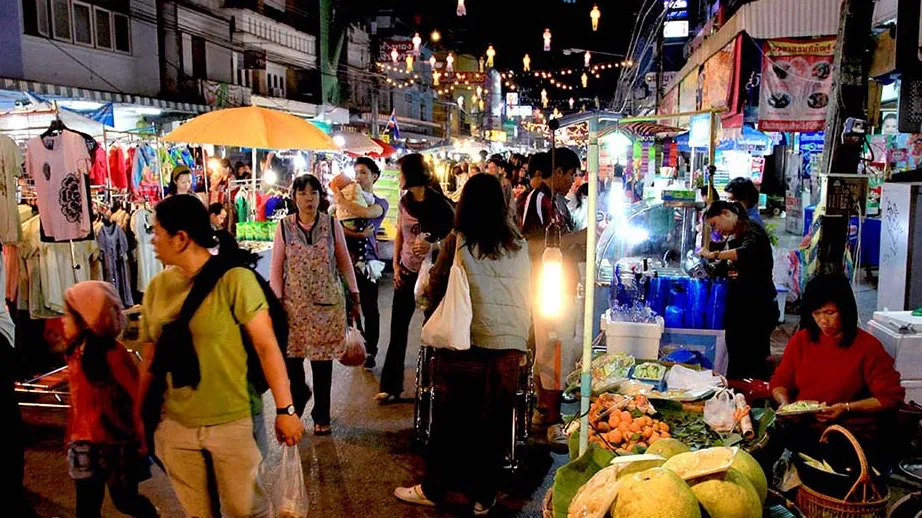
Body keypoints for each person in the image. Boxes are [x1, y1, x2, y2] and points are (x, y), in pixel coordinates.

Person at [139, 195, 303, 517]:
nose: (152, 240)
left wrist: (286, 410)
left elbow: (266, 347)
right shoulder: (157, 287)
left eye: (157, 232)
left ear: (181, 238)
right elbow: (149, 361)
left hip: (234, 422)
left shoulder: (235, 280)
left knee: (246, 512)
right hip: (176, 425)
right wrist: (138, 418)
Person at [394, 173, 531, 515]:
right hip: (510, 345)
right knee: (496, 422)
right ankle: (484, 496)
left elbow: (436, 285)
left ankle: (435, 488)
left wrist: (425, 300)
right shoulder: (518, 244)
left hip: (467, 343)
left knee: (452, 421)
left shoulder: (459, 240)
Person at [770, 274, 904, 461]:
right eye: (816, 313)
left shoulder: (867, 347)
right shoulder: (801, 341)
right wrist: (785, 405)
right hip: (805, 431)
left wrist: (847, 408)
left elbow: (890, 397)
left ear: (845, 310)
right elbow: (779, 382)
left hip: (850, 438)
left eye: (829, 313)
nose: (823, 321)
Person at [270, 174, 360, 435]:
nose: (309, 199)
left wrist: (355, 296)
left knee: (322, 364)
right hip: (293, 307)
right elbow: (276, 268)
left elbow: (344, 262)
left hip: (326, 304)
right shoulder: (284, 227)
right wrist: (276, 303)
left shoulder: (332, 225)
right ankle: (298, 400)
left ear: (320, 197)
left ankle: (322, 415)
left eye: (314, 193)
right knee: (293, 362)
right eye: (302, 193)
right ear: (294, 197)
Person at [61, 281, 158, 518]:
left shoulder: (113, 353)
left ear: (87, 319)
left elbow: (136, 396)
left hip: (115, 443)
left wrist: (143, 436)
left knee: (125, 500)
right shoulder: (75, 351)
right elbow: (77, 405)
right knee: (86, 506)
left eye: (67, 315)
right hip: (82, 444)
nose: (62, 320)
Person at [521, 147, 586, 450]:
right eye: (572, 174)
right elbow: (534, 244)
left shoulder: (558, 201)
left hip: (562, 285)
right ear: (558, 171)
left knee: (551, 350)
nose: (574, 180)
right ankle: (553, 422)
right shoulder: (538, 199)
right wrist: (581, 238)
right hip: (548, 287)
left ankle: (542, 410)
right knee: (553, 351)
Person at [376, 154, 455, 403]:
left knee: (433, 330)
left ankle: (435, 384)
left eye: (401, 173)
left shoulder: (440, 205)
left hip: (434, 276)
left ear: (411, 175)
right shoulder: (404, 202)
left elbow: (453, 241)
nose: (398, 178)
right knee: (397, 328)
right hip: (407, 272)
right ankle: (390, 386)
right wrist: (396, 265)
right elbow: (400, 232)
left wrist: (434, 247)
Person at [700, 200, 777, 379]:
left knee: (753, 361)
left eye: (714, 225)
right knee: (737, 360)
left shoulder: (752, 229)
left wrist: (714, 254)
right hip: (740, 310)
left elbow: (748, 252)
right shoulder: (735, 235)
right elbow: (729, 266)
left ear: (726, 213)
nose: (716, 231)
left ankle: (754, 400)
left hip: (757, 310)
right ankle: (736, 397)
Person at [331, 157, 390, 369]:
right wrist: (356, 233)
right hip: (345, 261)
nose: (358, 177)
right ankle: (360, 346)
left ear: (374, 176)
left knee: (370, 306)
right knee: (351, 307)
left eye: (363, 172)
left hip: (367, 262)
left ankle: (371, 349)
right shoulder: (344, 202)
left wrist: (339, 198)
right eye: (356, 173)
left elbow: (364, 212)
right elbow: (334, 224)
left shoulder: (380, 203)